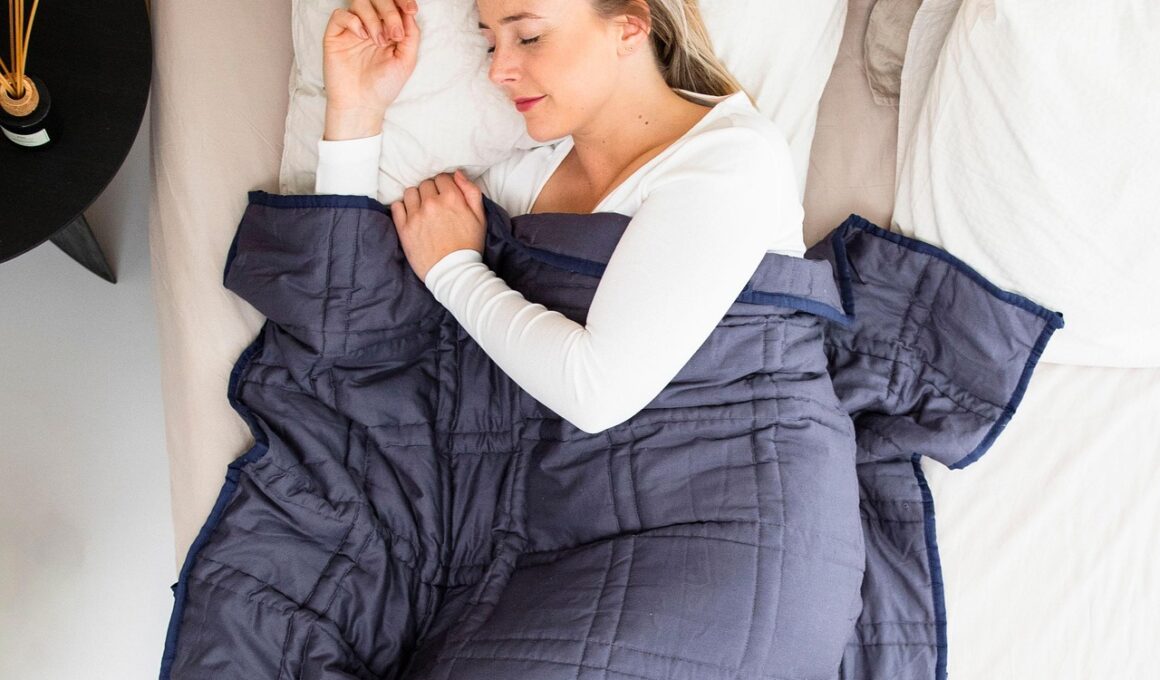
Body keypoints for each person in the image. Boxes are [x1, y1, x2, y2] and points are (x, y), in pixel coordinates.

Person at [315, 0, 808, 434]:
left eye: (529, 36)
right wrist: (355, 108)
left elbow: (597, 395)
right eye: (490, 45)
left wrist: (455, 272)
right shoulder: (523, 177)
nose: (498, 71)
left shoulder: (733, 156)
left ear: (629, 29)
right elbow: (351, 308)